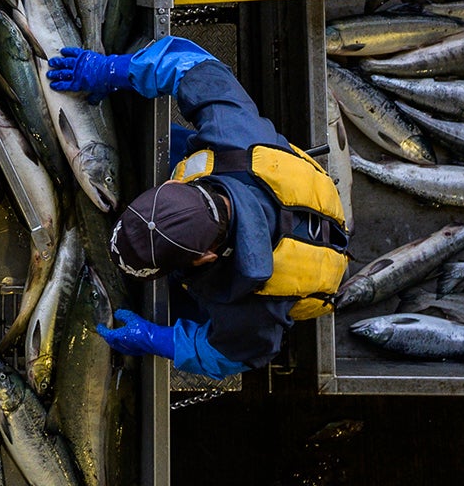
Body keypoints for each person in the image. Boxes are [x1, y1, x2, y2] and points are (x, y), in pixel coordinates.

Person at [49, 35, 348, 377]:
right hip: (285, 195)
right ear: (176, 185)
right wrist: (112, 70)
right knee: (174, 148)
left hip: (293, 270)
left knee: (178, 311)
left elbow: (229, 356)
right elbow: (192, 64)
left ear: (205, 257)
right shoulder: (235, 137)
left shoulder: (252, 311)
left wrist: (155, 339)